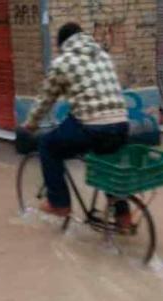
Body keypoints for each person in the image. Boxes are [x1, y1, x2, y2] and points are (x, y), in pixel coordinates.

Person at [22, 22, 130, 222]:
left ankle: (59, 203)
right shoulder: (103, 56)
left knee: (47, 145)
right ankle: (123, 216)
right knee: (105, 165)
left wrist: (31, 123)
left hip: (92, 127)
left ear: (63, 43)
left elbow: (45, 99)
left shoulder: (63, 62)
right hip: (122, 125)